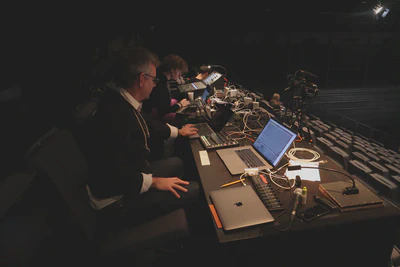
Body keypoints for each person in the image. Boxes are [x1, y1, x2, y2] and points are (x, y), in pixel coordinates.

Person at [83, 46, 200, 228]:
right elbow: (113, 176)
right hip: (116, 201)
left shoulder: (120, 99)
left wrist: (178, 132)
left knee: (178, 163)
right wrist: (154, 182)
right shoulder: (118, 117)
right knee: (194, 189)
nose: (155, 84)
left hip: (129, 177)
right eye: (152, 80)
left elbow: (149, 124)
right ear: (141, 79)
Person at [141, 54, 191, 124]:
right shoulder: (161, 84)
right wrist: (180, 105)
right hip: (154, 117)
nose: (180, 75)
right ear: (172, 70)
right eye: (179, 71)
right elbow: (163, 110)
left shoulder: (161, 77)